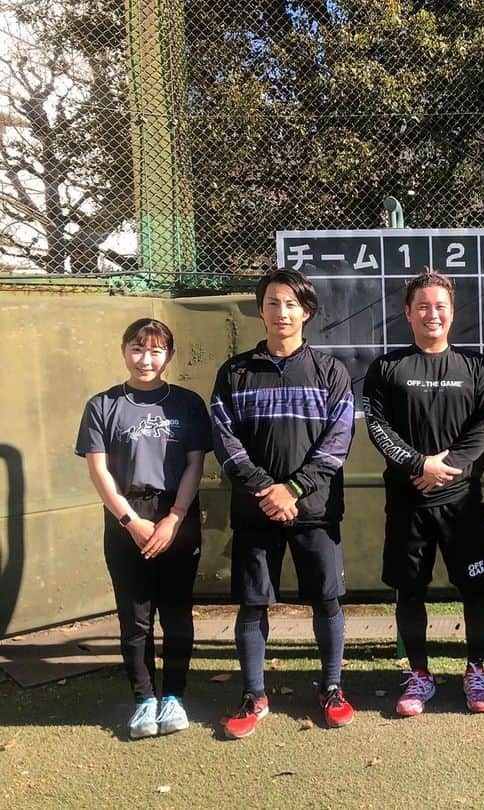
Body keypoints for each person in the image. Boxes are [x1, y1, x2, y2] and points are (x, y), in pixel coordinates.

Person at [211, 268, 356, 739]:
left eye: (291, 304)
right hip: (256, 511)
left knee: (328, 600)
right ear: (262, 310)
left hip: (315, 510)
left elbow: (338, 441)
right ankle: (254, 695)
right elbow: (224, 438)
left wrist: (293, 489)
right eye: (273, 303)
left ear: (307, 312)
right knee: (253, 606)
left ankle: (331, 687)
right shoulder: (234, 372)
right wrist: (265, 489)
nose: (282, 312)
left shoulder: (332, 372)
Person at [363, 268, 484, 717]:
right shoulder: (386, 368)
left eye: (440, 306)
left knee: (475, 588)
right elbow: (378, 428)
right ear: (407, 312)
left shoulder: (475, 367)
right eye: (422, 305)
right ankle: (419, 675)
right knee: (410, 591)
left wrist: (449, 465)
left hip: (462, 504)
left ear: (452, 311)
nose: (431, 314)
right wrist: (418, 464)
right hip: (408, 503)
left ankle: (476, 669)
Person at [76, 318, 212, 739]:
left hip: (176, 512)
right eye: (138, 349)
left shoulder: (187, 404)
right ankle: (143, 699)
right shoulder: (102, 405)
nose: (146, 359)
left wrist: (174, 516)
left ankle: (173, 697)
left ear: (169, 356)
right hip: (126, 514)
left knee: (175, 611)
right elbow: (99, 471)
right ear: (123, 351)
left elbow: (195, 464)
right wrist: (131, 522)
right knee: (135, 616)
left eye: (155, 351)